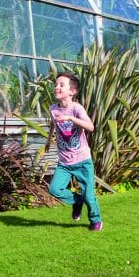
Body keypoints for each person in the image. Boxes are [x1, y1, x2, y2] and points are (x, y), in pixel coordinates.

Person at [45, 72, 103, 231]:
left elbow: (90, 127)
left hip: (82, 161)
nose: (57, 87)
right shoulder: (53, 109)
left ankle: (95, 220)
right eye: (56, 84)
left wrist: (70, 118)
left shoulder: (76, 108)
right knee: (54, 189)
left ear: (72, 91)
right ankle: (77, 201)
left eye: (61, 85)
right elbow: (53, 123)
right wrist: (49, 140)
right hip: (64, 162)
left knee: (89, 197)